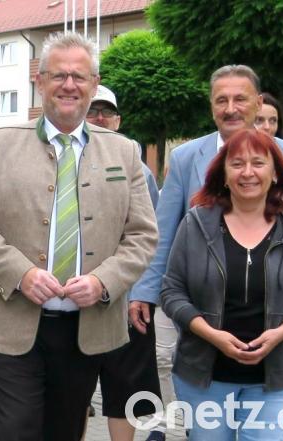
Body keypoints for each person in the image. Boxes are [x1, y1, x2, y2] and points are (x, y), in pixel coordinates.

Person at [0, 32, 158, 441]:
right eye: (59, 75)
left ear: (94, 84)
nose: (69, 85)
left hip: (86, 327)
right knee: (17, 430)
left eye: (79, 77)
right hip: (9, 320)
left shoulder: (124, 152)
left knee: (64, 431)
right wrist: (20, 273)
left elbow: (142, 234)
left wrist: (105, 281)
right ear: (40, 82)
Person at [129, 66, 283, 439]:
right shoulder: (185, 158)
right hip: (200, 313)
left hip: (273, 346)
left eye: (240, 99)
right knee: (174, 369)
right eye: (221, 100)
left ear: (258, 103)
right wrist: (145, 291)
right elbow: (165, 232)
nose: (231, 108)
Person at [161, 128, 283, 440]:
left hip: (276, 375)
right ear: (223, 175)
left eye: (258, 163)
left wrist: (280, 334)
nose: (247, 172)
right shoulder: (197, 223)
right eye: (237, 164)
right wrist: (212, 335)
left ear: (275, 172)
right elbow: (172, 292)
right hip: (204, 377)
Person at [84, 84, 163, 441]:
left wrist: (142, 293)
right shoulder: (63, 160)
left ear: (118, 120)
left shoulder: (135, 166)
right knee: (73, 394)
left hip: (127, 299)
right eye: (93, 111)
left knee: (127, 390)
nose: (100, 118)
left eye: (107, 113)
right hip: (75, 298)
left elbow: (150, 236)